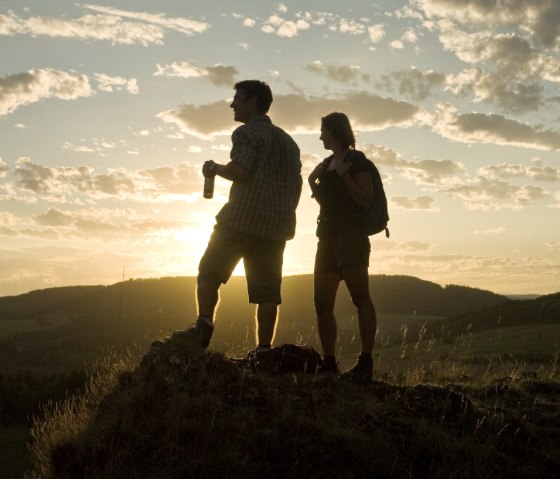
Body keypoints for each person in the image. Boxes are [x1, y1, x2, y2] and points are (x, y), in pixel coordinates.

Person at [173, 80, 302, 354]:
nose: (232, 104)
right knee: (267, 292)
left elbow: (241, 170)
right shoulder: (290, 143)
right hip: (276, 227)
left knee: (209, 271)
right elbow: (297, 186)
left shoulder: (245, 133)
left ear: (253, 102)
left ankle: (203, 327)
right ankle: (264, 351)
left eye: (237, 99)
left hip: (241, 219)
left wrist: (216, 168)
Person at [308, 112, 377, 383]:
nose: (321, 135)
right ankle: (328, 362)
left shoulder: (357, 161)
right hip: (326, 238)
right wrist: (312, 182)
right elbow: (329, 204)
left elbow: (365, 200)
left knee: (360, 298)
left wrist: (345, 176)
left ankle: (365, 362)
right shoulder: (326, 163)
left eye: (323, 130)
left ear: (335, 131)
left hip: (351, 237)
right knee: (321, 303)